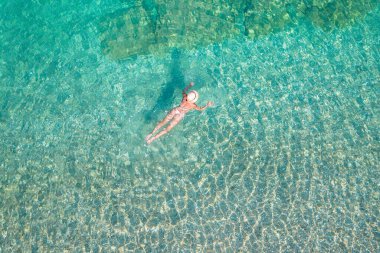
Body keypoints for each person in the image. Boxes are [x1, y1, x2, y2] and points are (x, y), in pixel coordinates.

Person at [145, 82, 213, 144]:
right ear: (194, 100)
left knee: (162, 122)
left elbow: (184, 90)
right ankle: (153, 139)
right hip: (180, 115)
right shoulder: (193, 105)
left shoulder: (185, 97)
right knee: (167, 129)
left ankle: (151, 133)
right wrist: (207, 105)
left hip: (175, 110)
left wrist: (189, 85)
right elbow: (201, 109)